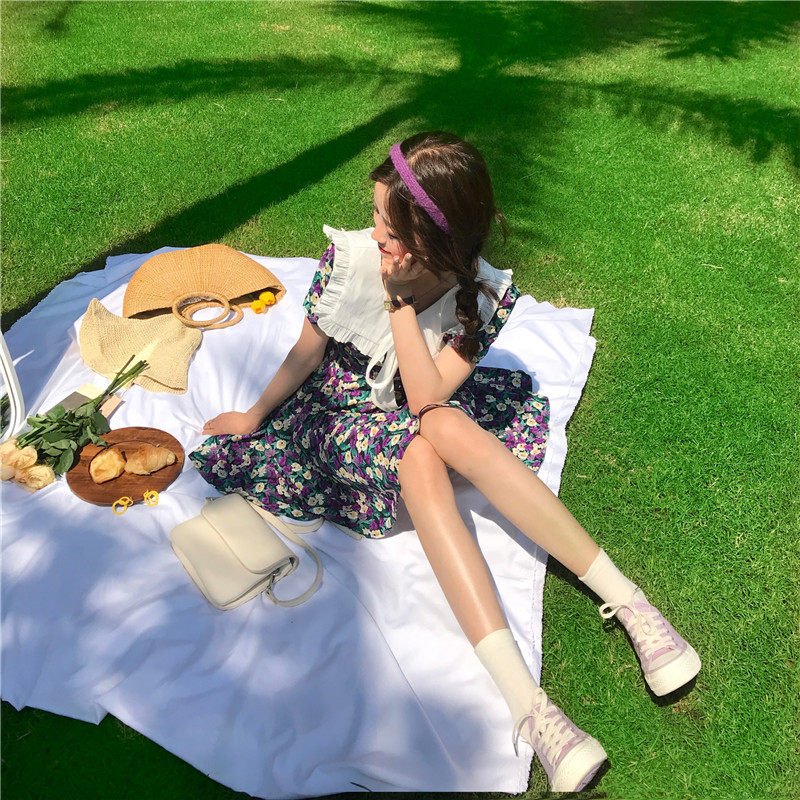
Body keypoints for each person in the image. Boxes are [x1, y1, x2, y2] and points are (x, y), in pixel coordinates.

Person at [189, 131, 701, 793]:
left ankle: (630, 605)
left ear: (433, 238)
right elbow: (308, 350)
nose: (374, 231)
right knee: (421, 453)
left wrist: (401, 305)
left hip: (421, 399)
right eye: (375, 213)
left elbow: (428, 396)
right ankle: (530, 708)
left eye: (388, 223)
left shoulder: (481, 295)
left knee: (442, 426)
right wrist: (255, 416)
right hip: (342, 410)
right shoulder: (349, 261)